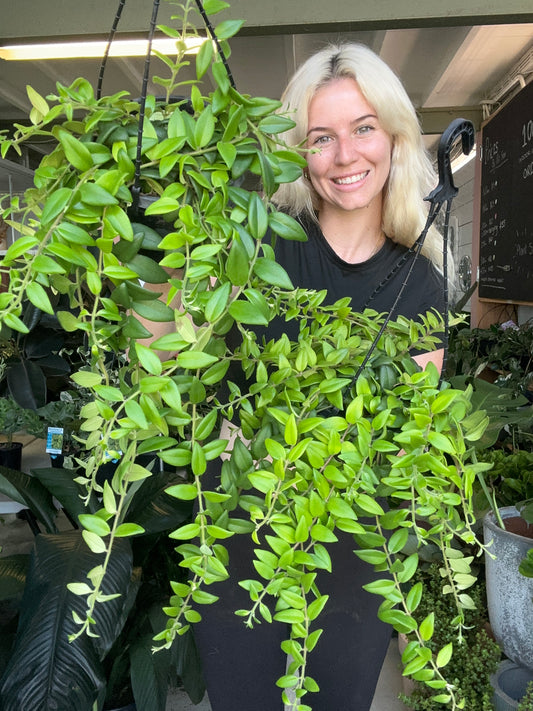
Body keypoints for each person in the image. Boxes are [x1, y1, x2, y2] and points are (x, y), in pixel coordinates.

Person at [190, 43, 447, 711]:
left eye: (363, 128)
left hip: (353, 557)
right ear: (296, 151)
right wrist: (154, 259)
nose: (344, 156)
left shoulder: (419, 281)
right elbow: (169, 363)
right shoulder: (258, 250)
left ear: (393, 135)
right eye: (319, 137)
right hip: (246, 538)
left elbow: (406, 446)